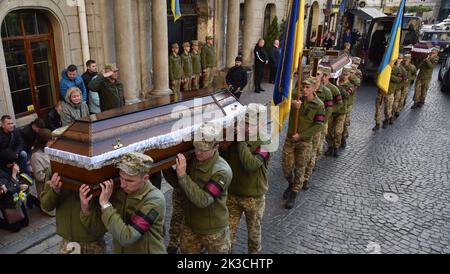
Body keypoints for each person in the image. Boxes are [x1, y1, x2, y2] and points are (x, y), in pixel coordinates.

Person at [164, 122, 233, 254]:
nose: (198, 153)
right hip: (190, 226)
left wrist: (183, 175)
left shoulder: (222, 172)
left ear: (216, 147)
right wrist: (166, 167)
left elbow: (203, 200)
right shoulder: (193, 160)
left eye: (203, 150)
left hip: (214, 232)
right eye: (196, 148)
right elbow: (179, 185)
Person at [79, 152, 166, 254]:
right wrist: (86, 210)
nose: (123, 185)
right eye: (121, 177)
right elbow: (98, 229)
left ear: (145, 178)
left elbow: (127, 237)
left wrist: (105, 205)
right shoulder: (120, 192)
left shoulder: (155, 200)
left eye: (130, 181)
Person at [221, 103, 270, 254]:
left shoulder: (266, 142)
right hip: (233, 194)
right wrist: (226, 144)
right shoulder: (235, 137)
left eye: (251, 124)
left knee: (253, 237)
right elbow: (222, 160)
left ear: (261, 124)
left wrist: (240, 139)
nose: (247, 127)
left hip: (253, 198)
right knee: (228, 236)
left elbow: (250, 164)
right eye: (245, 123)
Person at [282, 77, 325, 209]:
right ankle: (291, 183)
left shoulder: (318, 105)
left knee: (300, 168)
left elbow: (318, 125)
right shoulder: (296, 96)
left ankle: (294, 194)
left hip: (305, 142)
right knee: (286, 167)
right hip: (290, 139)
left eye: (308, 87)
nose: (305, 90)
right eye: (303, 87)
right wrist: (292, 105)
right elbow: (283, 95)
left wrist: (301, 136)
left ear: (314, 88)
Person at [303, 68, 333, 190]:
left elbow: (329, 109)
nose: (315, 76)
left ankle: (305, 177)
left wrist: (321, 123)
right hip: (305, 126)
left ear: (323, 76)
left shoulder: (326, 92)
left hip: (318, 125)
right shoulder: (304, 90)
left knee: (315, 151)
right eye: (313, 73)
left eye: (318, 74)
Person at [0, 149, 30, 232]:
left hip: (18, 200)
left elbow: (20, 182)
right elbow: (8, 191)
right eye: (12, 163)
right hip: (7, 202)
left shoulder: (13, 167)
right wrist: (13, 175)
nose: (14, 164)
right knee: (16, 228)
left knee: (25, 223)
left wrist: (25, 187)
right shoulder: (2, 173)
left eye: (14, 162)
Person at [30, 129, 55, 216]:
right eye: (49, 140)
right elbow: (39, 176)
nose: (52, 142)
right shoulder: (36, 156)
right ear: (43, 141)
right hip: (46, 186)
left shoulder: (50, 149)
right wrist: (52, 176)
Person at [373, 59, 400, 130]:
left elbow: (399, 79)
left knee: (387, 109)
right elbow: (375, 77)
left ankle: (387, 119)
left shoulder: (396, 69)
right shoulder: (382, 67)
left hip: (389, 92)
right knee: (378, 108)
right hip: (381, 92)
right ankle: (377, 123)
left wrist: (389, 75)